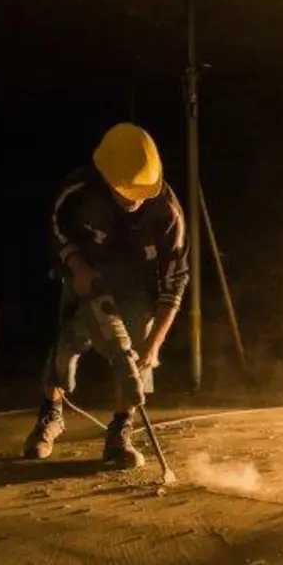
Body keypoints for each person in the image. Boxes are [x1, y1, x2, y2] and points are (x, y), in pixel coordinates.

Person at [24, 122, 189, 468]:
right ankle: (51, 414)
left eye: (140, 192)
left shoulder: (166, 212)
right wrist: (77, 266)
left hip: (135, 287)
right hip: (85, 273)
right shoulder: (80, 190)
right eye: (125, 190)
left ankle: (120, 431)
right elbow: (57, 227)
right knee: (67, 344)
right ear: (105, 175)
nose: (134, 199)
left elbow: (176, 280)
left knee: (136, 358)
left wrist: (154, 345)